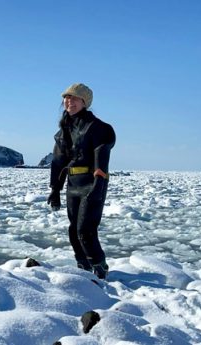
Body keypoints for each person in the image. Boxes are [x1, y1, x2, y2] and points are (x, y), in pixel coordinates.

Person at [48, 83, 116, 279]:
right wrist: (55, 189)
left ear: (85, 102)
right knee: (73, 231)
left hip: (91, 183)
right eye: (67, 98)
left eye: (75, 98)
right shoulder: (64, 130)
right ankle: (83, 268)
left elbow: (101, 157)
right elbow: (58, 162)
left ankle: (100, 268)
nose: (69, 101)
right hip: (73, 184)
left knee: (85, 231)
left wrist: (98, 184)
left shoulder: (99, 128)